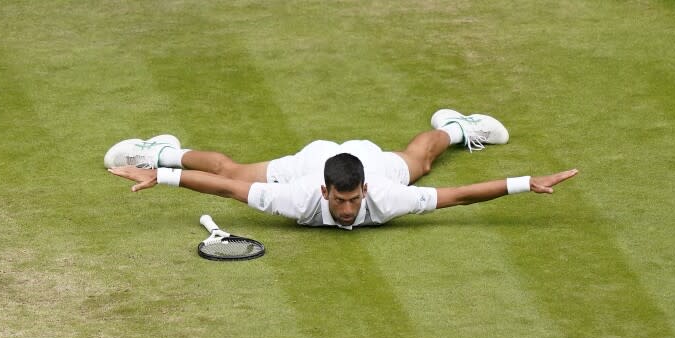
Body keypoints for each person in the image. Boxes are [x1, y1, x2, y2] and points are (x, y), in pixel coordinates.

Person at [105, 109, 578, 229]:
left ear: (364, 190)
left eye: (354, 200)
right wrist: (162, 177)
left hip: (370, 159)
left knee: (423, 159)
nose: (349, 209)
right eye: (342, 200)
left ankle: (456, 126)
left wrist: (525, 184)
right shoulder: (296, 195)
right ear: (326, 193)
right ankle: (162, 151)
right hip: (311, 160)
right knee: (233, 168)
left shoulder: (387, 196)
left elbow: (459, 195)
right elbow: (225, 188)